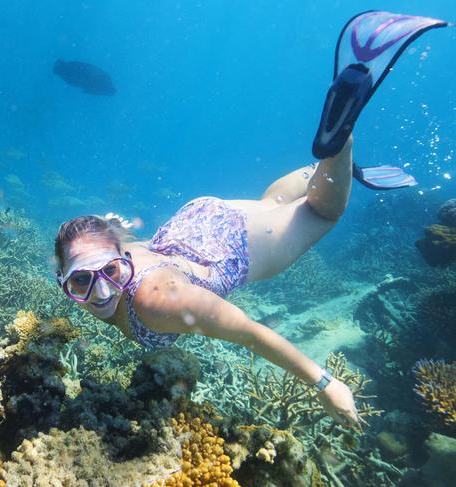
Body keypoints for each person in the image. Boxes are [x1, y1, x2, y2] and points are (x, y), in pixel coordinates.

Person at [54, 11, 448, 427]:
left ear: (124, 261)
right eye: (81, 281)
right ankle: (324, 166)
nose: (99, 292)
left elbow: (247, 331)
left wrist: (325, 383)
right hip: (195, 222)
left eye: (111, 273)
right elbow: (104, 242)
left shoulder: (156, 302)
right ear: (62, 277)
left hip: (234, 245)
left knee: (323, 212)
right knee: (274, 199)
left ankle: (340, 143)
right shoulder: (110, 253)